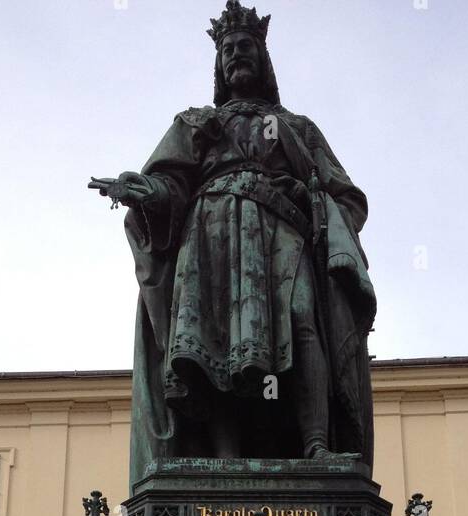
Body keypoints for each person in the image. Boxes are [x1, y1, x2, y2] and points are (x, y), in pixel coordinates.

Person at [99, 1, 376, 478]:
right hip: (209, 235)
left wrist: (315, 207)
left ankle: (314, 446)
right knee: (215, 338)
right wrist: (142, 191)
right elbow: (169, 184)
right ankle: (224, 462)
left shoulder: (298, 128)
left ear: (263, 57)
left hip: (282, 232)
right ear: (218, 63)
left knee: (304, 321)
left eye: (244, 46)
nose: (235, 56)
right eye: (227, 50)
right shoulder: (195, 123)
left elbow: (346, 198)